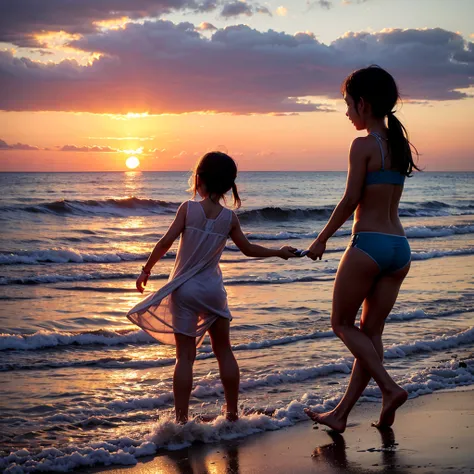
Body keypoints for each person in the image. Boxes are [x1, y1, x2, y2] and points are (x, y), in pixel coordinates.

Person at [127, 151, 296, 424]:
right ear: (229, 185)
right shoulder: (229, 218)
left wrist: (146, 270)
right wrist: (279, 252)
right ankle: (231, 414)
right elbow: (248, 249)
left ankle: (181, 421)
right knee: (224, 352)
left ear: (199, 179)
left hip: (185, 289)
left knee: (185, 357)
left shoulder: (188, 208)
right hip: (213, 291)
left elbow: (165, 242)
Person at [304, 65, 420, 432]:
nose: (347, 112)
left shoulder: (363, 145)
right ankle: (341, 415)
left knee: (340, 323)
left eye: (349, 104)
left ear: (364, 104)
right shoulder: (398, 146)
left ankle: (389, 387)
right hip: (399, 247)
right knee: (370, 336)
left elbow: (351, 199)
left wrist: (321, 238)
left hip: (368, 245)